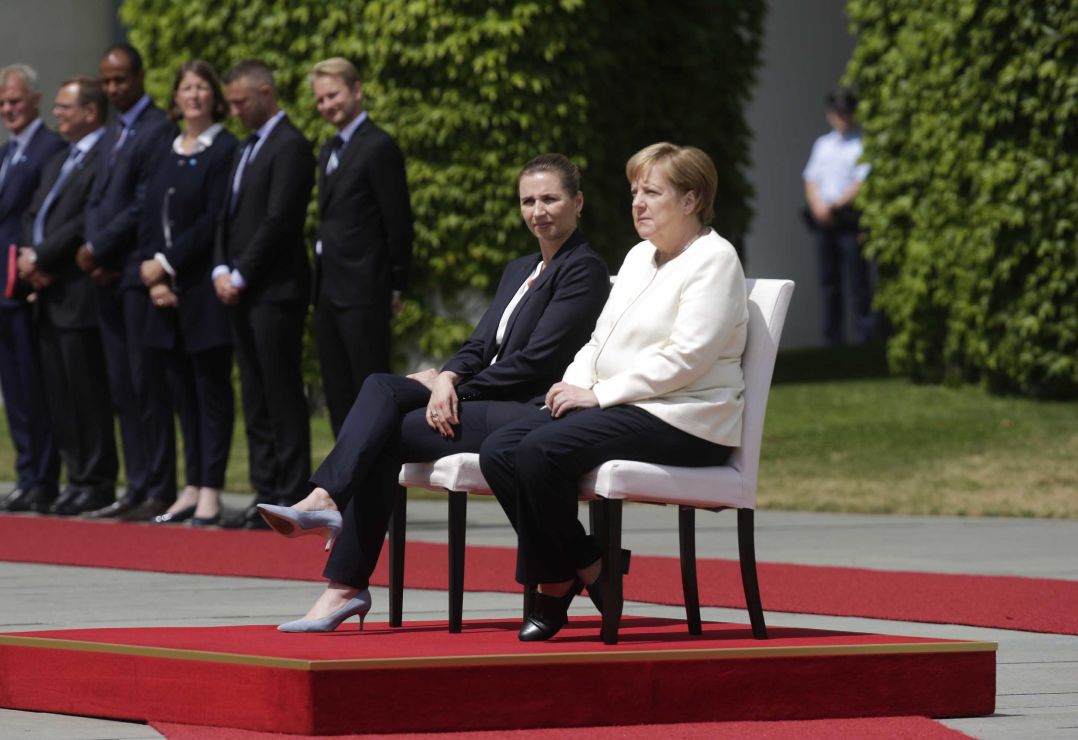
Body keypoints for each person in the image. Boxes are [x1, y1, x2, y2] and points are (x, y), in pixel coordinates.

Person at [257, 154, 610, 632]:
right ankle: (332, 538)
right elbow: (481, 344)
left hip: (530, 410)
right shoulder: (520, 268)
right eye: (528, 201)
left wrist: (456, 393)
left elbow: (536, 363)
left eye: (550, 198)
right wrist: (446, 378)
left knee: (383, 425)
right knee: (382, 394)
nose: (538, 211)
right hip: (486, 400)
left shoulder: (583, 269)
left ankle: (339, 566)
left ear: (578, 202)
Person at [480, 143, 748, 642]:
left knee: (540, 451)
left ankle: (556, 588)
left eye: (652, 192)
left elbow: (687, 359)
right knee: (499, 450)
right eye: (634, 192)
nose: (638, 203)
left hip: (685, 418)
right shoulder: (639, 257)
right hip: (629, 404)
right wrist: (572, 386)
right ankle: (585, 565)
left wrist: (600, 397)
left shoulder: (716, 260)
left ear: (691, 201)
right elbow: (599, 340)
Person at [212, 59, 315, 529]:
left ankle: (289, 491)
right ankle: (263, 488)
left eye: (241, 101)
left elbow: (279, 220)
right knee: (253, 393)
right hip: (240, 287)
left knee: (279, 391)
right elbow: (226, 215)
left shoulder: (290, 145)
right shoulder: (245, 147)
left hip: (274, 291)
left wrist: (242, 274)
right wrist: (220, 266)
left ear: (266, 92)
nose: (234, 111)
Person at [81, 43, 179, 520]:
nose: (113, 88)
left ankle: (159, 486)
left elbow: (143, 204)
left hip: (136, 273)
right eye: (107, 81)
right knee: (123, 386)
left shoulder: (158, 129)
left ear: (140, 77)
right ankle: (136, 484)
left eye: (120, 79)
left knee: (147, 386)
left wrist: (100, 249)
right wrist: (91, 252)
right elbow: (98, 199)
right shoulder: (113, 129)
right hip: (108, 278)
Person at [138, 61, 237, 526]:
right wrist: (153, 275)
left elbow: (213, 219)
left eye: (201, 87)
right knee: (181, 394)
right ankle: (191, 484)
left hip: (201, 293)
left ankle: (211, 490)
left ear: (213, 96)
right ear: (175, 97)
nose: (193, 95)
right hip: (164, 295)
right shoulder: (165, 149)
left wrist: (169, 263)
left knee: (210, 392)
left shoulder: (224, 149)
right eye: (186, 88)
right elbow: (147, 214)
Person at [15, 76, 119, 516]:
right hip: (48, 293)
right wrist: (28, 256)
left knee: (86, 393)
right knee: (61, 394)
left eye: (64, 107)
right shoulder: (62, 158)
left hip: (75, 292)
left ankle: (96, 481)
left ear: (90, 112)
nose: (57, 114)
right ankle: (76, 478)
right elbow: (35, 211)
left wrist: (42, 256)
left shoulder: (102, 155)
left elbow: (80, 222)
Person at [0, 65, 66, 514]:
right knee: (13, 390)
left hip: (29, 284)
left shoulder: (52, 148)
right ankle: (26, 474)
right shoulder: (0, 155)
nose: (8, 109)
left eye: (14, 100)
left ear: (34, 99)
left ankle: (44, 478)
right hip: (0, 287)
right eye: (1, 103)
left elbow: (43, 216)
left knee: (35, 388)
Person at [310, 57, 414, 436]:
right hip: (328, 292)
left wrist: (396, 284)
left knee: (368, 392)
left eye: (333, 95)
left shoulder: (378, 146)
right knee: (337, 394)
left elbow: (397, 222)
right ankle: (343, 488)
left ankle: (376, 489)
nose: (326, 105)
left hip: (365, 291)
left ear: (356, 90)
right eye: (320, 100)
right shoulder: (327, 151)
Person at [802, 88, 873, 345]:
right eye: (837, 112)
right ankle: (832, 339)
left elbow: (860, 182)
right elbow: (811, 179)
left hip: (849, 220)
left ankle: (864, 337)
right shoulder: (822, 144)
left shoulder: (862, 142)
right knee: (828, 281)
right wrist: (818, 206)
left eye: (845, 111)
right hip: (824, 220)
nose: (841, 116)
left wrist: (833, 207)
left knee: (857, 280)